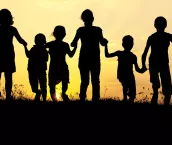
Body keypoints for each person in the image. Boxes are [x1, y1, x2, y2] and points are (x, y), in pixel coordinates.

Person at [71, 9, 107, 102]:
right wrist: (105, 42)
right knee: (94, 80)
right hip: (93, 59)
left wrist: (74, 43)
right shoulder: (97, 30)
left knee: (85, 80)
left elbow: (73, 43)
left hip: (84, 58)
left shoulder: (81, 30)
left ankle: (83, 97)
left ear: (83, 19)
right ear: (93, 18)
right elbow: (102, 43)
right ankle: (94, 98)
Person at [105, 35, 146, 103]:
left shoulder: (131, 56)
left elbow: (137, 69)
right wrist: (106, 45)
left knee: (131, 93)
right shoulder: (125, 54)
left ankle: (126, 100)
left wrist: (142, 70)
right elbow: (107, 55)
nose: (130, 45)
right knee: (126, 86)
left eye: (130, 43)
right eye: (129, 43)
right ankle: (125, 99)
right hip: (123, 75)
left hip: (128, 75)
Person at [142, 16, 172, 106]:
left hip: (158, 63)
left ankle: (158, 104)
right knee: (164, 87)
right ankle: (163, 105)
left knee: (158, 87)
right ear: (165, 25)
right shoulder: (166, 36)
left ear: (155, 25)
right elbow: (144, 53)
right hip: (157, 63)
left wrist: (143, 65)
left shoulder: (153, 37)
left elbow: (144, 53)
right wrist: (143, 65)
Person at [0, 9, 27, 100]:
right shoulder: (12, 29)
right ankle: (8, 96)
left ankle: (7, 96)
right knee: (8, 76)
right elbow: (20, 40)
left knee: (7, 76)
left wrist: (24, 43)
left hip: (6, 54)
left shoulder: (11, 29)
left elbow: (20, 40)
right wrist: (24, 43)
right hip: (8, 54)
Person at [46, 25, 77, 102]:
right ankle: (57, 98)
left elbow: (70, 55)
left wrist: (75, 48)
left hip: (59, 67)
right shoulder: (51, 44)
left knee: (62, 83)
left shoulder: (61, 45)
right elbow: (71, 55)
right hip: (56, 67)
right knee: (54, 84)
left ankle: (62, 94)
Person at [24, 33, 48, 102]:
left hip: (38, 70)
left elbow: (28, 55)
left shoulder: (42, 50)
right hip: (34, 70)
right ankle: (40, 95)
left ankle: (43, 99)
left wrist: (25, 47)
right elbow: (28, 55)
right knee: (38, 86)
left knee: (42, 86)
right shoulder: (35, 49)